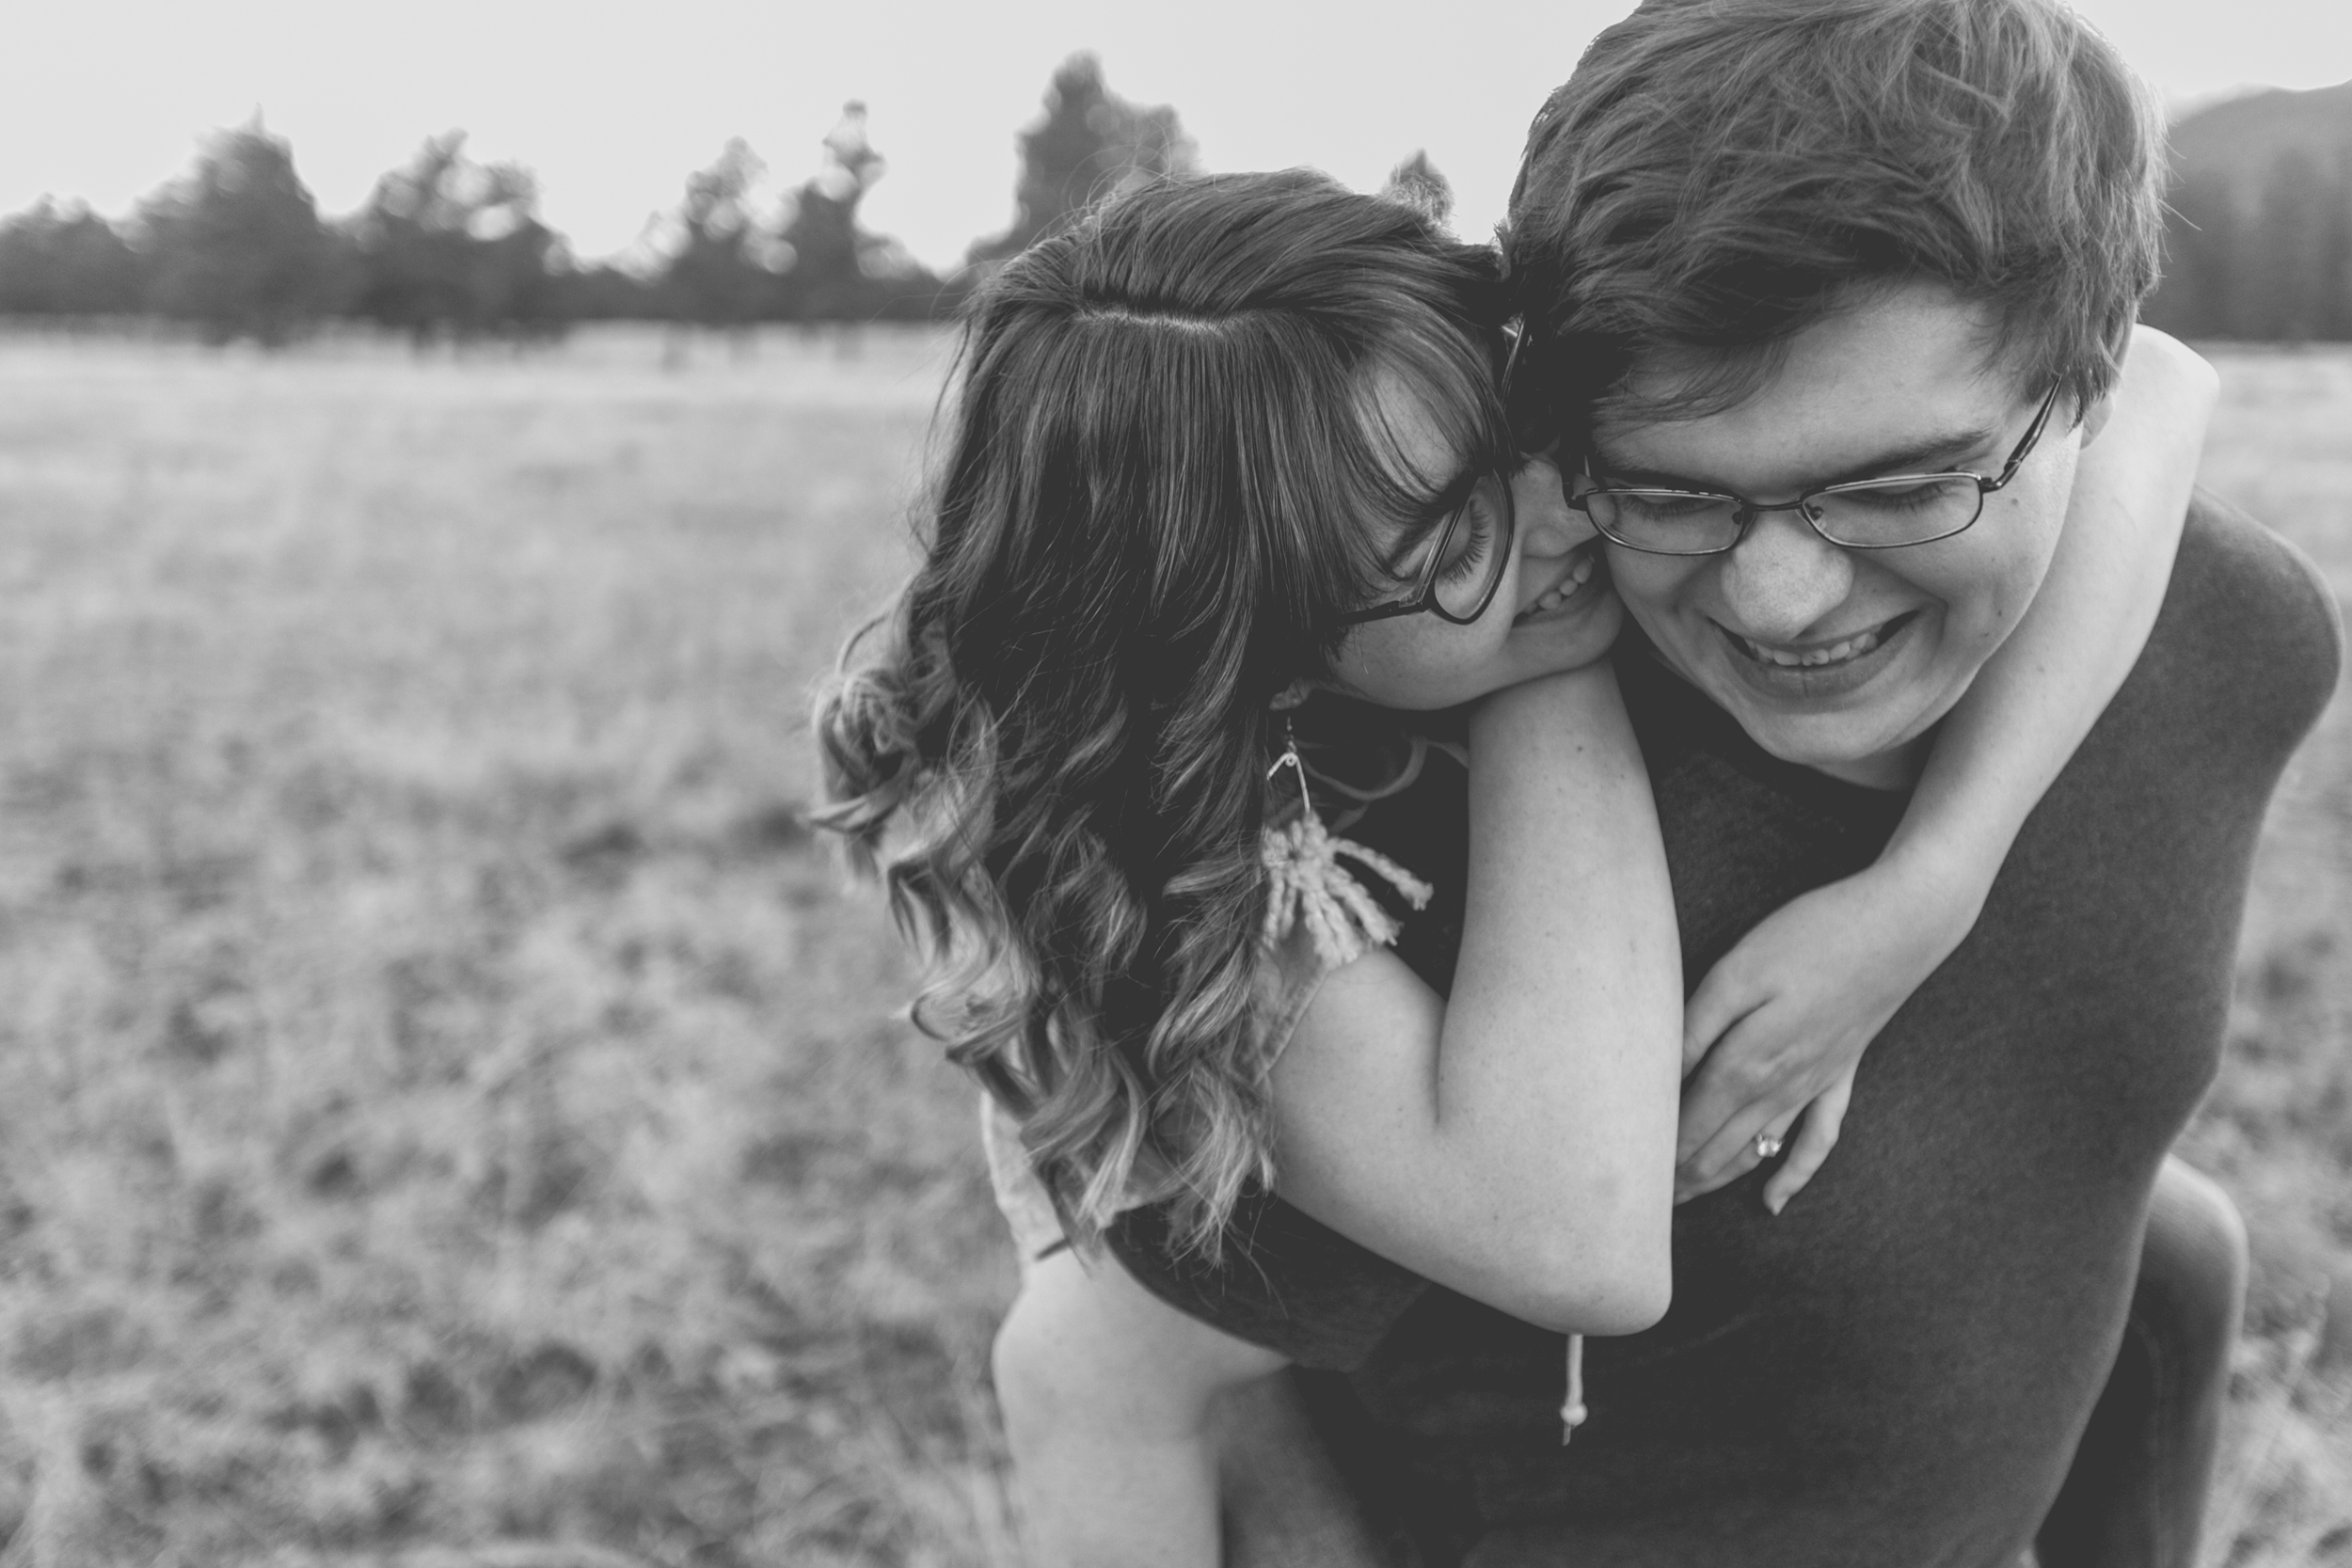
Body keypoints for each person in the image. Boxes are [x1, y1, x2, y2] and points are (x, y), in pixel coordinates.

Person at [1072, 2, 2342, 1564]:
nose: (1780, 602)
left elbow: (2080, 1191)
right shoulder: (1429, 847)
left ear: (2083, 383)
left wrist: (1930, 887)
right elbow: (1130, 1375)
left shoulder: (2234, 640)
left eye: (1902, 484)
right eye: (1669, 494)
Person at [814, 161, 2224, 1566]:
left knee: (2177, 1244)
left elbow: (2154, 384)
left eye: (1524, 427)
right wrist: (1542, 678)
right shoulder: (1188, 863)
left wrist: (1930, 883)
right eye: (1450, 540)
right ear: (1253, 648)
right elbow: (1579, 1236)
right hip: (1218, 1405)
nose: (1562, 513)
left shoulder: (1501, 569)